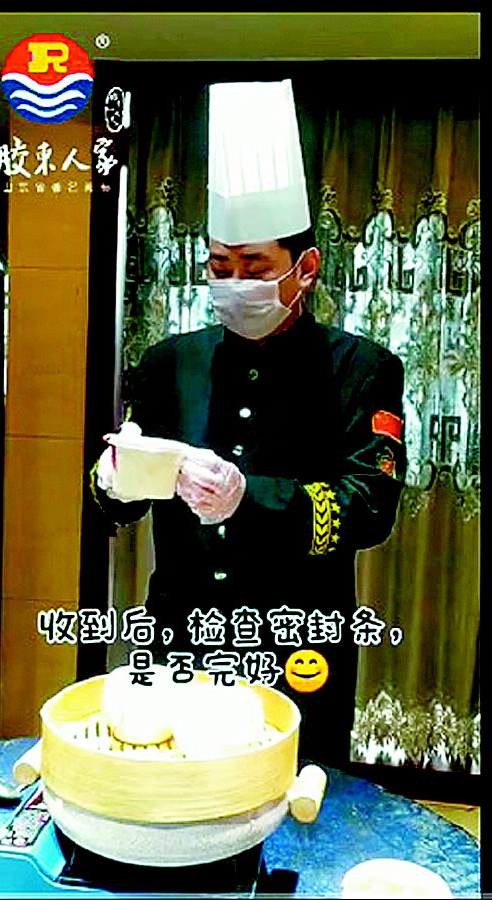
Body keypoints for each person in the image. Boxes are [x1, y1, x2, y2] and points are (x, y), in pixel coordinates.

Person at [92, 81, 406, 770]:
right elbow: (119, 496)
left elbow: (371, 507)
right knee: (173, 787)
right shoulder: (170, 362)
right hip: (181, 638)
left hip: (299, 644)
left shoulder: (362, 369)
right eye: (220, 267)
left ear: (305, 269)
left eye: (255, 267)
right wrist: (113, 479)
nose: (235, 283)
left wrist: (250, 498)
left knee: (296, 802)